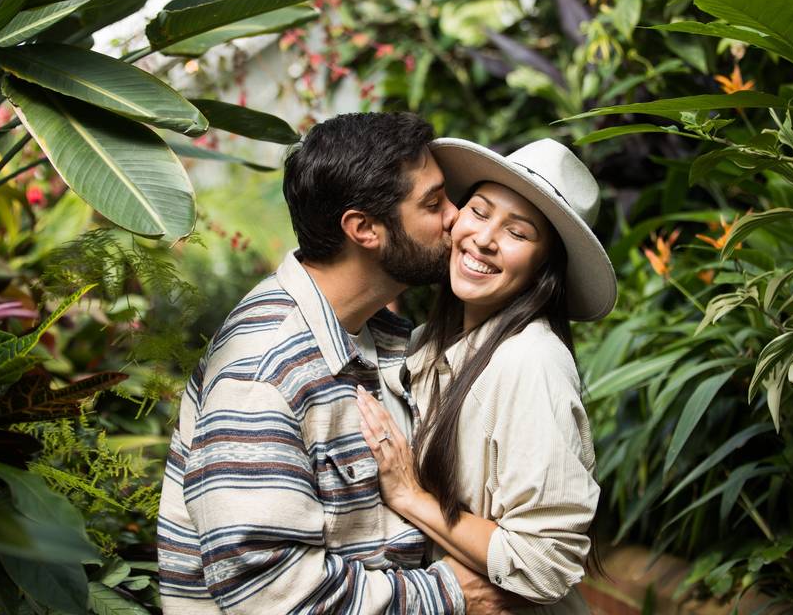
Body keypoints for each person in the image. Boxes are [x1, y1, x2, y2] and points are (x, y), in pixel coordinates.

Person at [157, 113, 521, 614]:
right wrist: (448, 594)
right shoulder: (263, 372)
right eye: (434, 203)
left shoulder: (375, 334)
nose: (458, 217)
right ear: (364, 229)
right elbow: (269, 595)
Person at [356, 137, 617, 614]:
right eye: (479, 211)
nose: (484, 238)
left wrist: (411, 497)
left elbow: (545, 559)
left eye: (518, 232)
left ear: (545, 268)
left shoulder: (530, 361)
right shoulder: (429, 346)